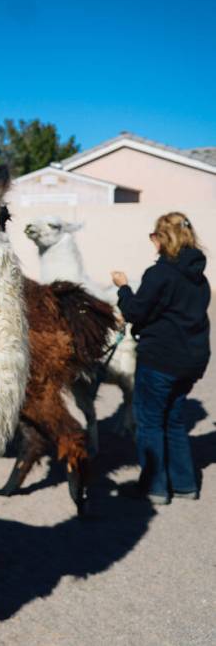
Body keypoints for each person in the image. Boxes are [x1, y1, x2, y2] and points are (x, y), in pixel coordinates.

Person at [111, 212, 210, 505]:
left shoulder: (160, 274)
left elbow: (136, 311)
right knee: (174, 420)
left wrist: (123, 287)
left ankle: (154, 487)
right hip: (191, 361)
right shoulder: (199, 277)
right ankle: (184, 484)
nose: (152, 242)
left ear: (162, 238)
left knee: (151, 422)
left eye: (154, 236)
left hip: (161, 359)